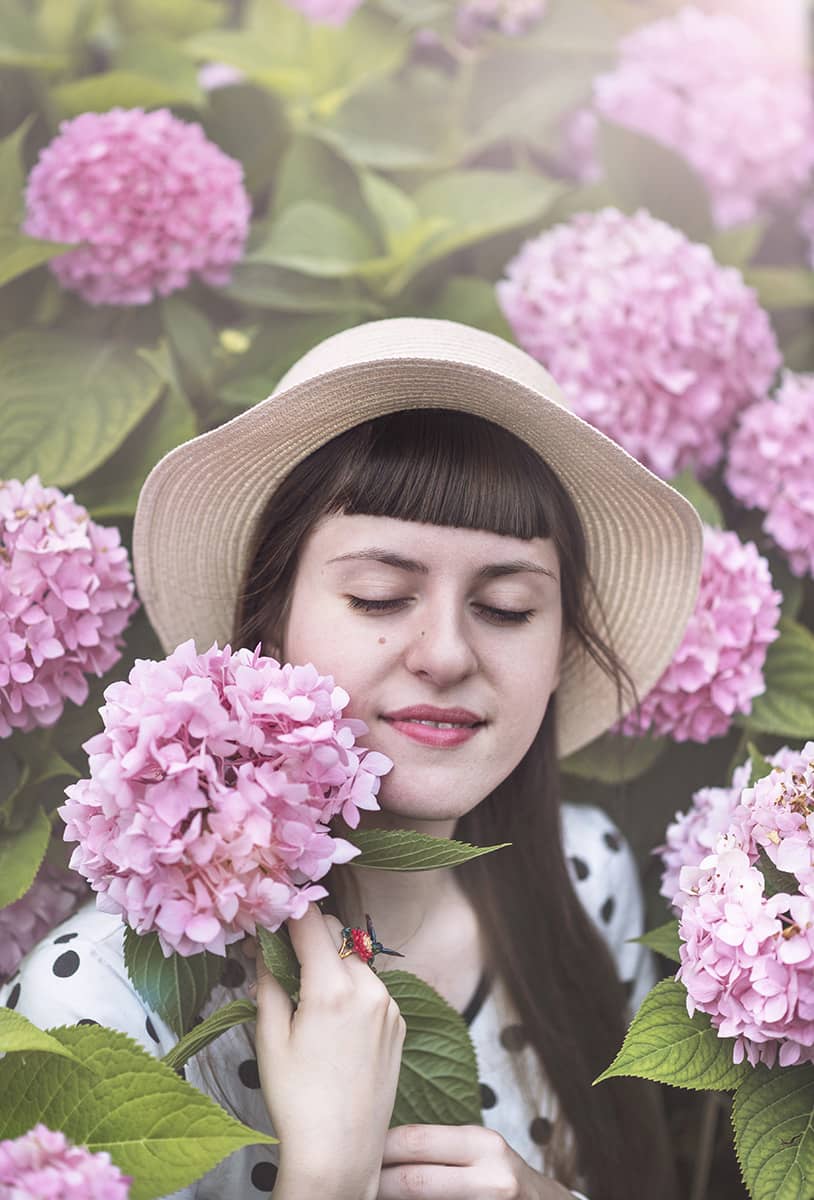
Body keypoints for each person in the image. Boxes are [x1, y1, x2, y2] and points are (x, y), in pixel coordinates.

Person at [0, 319, 702, 1200]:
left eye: (511, 606)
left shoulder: (584, 872)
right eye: (380, 594)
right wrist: (326, 1179)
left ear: (562, 643)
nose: (445, 653)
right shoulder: (95, 1001)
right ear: (270, 619)